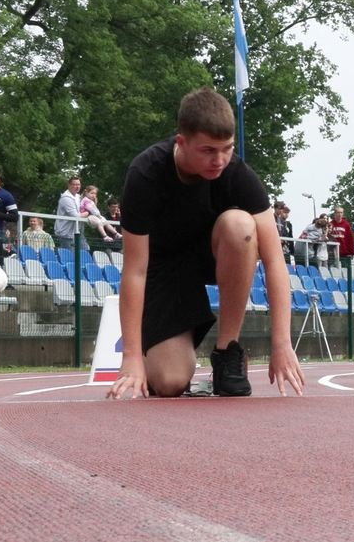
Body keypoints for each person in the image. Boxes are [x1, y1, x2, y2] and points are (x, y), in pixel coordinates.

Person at [106, 87, 304, 399]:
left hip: (214, 255)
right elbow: (135, 270)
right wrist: (130, 357)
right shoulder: (145, 174)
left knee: (241, 225)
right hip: (164, 268)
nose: (220, 160)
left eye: (227, 148)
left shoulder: (237, 174)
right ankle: (166, 351)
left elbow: (274, 260)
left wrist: (282, 344)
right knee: (169, 383)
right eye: (208, 150)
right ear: (181, 142)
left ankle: (227, 351)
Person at [53, 176, 88, 251]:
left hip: (78, 232)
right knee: (70, 257)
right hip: (66, 234)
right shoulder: (66, 198)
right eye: (74, 184)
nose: (77, 186)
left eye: (78, 184)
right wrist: (88, 212)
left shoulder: (78, 197)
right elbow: (76, 216)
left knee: (85, 251)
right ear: (69, 185)